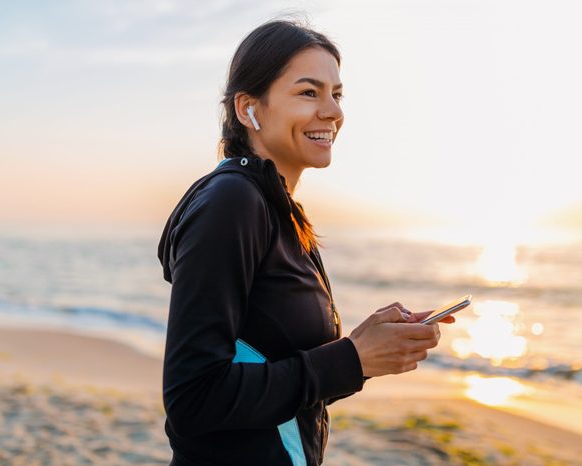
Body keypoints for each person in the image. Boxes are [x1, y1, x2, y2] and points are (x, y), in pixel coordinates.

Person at [157, 18, 455, 466]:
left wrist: (365, 347)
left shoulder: (276, 208)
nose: (332, 111)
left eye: (336, 94)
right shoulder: (232, 203)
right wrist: (351, 360)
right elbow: (193, 399)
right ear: (248, 108)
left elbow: (278, 372)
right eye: (308, 92)